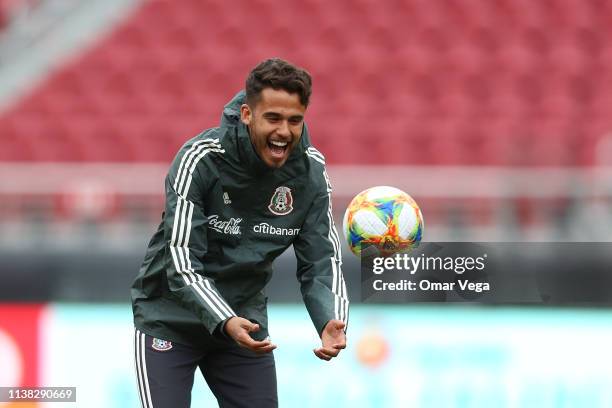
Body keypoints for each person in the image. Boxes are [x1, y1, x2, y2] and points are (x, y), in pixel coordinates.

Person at [131, 58, 349, 408]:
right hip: (169, 318)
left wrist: (331, 318)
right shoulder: (199, 159)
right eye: (273, 119)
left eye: (295, 120)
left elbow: (322, 258)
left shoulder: (310, 173)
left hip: (244, 324)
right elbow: (181, 258)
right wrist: (223, 318)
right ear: (247, 114)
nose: (284, 132)